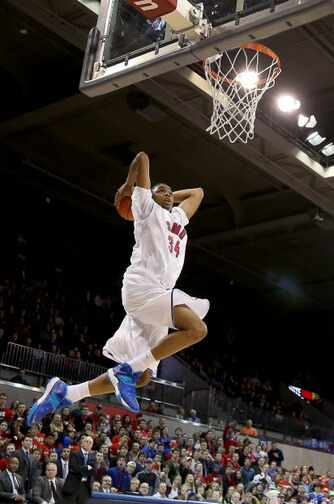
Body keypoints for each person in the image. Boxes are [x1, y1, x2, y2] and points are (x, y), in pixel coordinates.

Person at [27, 151, 208, 424]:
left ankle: (66, 392)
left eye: (171, 192)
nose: (169, 194)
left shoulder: (178, 219)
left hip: (159, 297)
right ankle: (125, 371)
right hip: (143, 288)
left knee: (143, 376)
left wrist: (170, 196)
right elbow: (142, 158)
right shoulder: (146, 208)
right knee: (196, 329)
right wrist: (130, 186)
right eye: (162, 189)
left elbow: (198, 192)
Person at [57, 435, 96, 504]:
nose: (88, 444)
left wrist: (84, 469)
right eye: (87, 441)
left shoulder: (93, 456)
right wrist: (86, 468)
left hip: (85, 488)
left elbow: (94, 471)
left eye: (90, 442)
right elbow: (74, 468)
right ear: (82, 443)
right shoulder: (74, 453)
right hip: (72, 487)